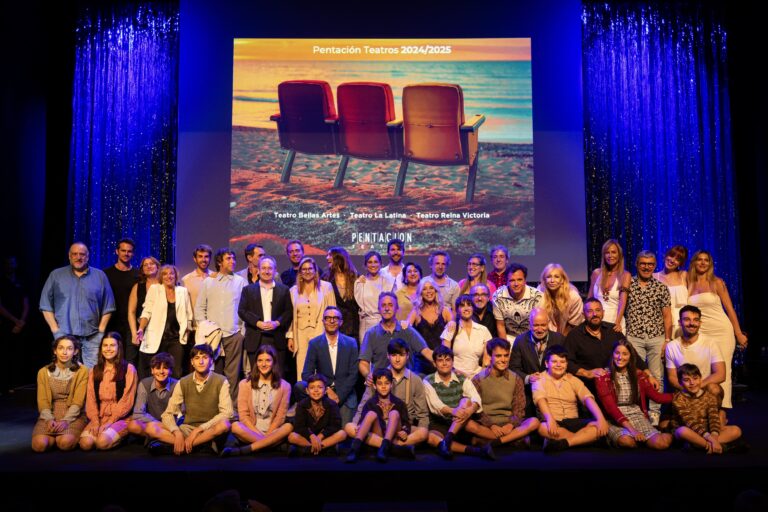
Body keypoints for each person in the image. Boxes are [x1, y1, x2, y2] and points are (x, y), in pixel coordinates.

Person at [687, 250, 748, 409]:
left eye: (706, 260)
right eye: (699, 260)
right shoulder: (688, 282)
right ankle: (703, 408)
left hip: (721, 330)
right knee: (703, 368)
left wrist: (739, 333)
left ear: (710, 264)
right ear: (694, 262)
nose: (702, 263)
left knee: (723, 370)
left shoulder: (717, 282)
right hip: (700, 332)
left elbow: (730, 309)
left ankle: (722, 409)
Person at [40, 242, 116, 368]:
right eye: (74, 254)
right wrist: (55, 330)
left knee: (92, 375)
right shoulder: (56, 275)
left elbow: (109, 306)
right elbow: (45, 305)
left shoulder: (100, 276)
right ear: (69, 256)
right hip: (64, 335)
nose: (78, 257)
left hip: (92, 336)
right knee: (66, 374)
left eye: (82, 254)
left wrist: (100, 332)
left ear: (88, 256)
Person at [349, 338, 430, 448]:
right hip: (378, 426)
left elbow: (422, 414)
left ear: (407, 356)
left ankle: (383, 445)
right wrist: (357, 424)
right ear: (388, 356)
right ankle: (395, 447)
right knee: (349, 427)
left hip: (402, 427)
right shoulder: (377, 377)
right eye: (393, 355)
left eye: (401, 355)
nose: (397, 359)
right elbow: (363, 406)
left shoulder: (415, 380)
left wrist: (415, 434)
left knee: (424, 432)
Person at [155, 344, 232, 455]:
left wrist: (200, 429)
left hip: (210, 429)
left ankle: (184, 446)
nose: (201, 362)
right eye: (197, 358)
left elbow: (227, 413)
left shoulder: (221, 381)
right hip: (187, 429)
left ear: (211, 361)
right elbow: (168, 413)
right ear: (192, 362)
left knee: (225, 425)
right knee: (152, 427)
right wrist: (177, 432)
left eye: (204, 358)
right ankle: (197, 445)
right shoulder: (183, 382)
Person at [595, 340, 673, 449]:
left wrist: (680, 396)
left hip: (636, 415)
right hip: (614, 419)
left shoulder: (639, 375)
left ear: (630, 356)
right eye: (617, 353)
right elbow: (611, 409)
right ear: (612, 354)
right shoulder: (603, 376)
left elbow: (657, 397)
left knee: (661, 444)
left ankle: (675, 433)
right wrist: (633, 431)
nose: (620, 357)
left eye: (625, 354)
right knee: (627, 442)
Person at [564, 298, 655, 393]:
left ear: (603, 312)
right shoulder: (574, 335)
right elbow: (567, 362)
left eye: (598, 310)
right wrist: (587, 373)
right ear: (584, 315)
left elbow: (632, 354)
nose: (595, 314)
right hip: (588, 388)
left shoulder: (613, 330)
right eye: (590, 311)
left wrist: (649, 375)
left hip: (615, 388)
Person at [625, 250, 672, 424]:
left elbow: (667, 316)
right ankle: (637, 410)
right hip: (634, 336)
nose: (646, 267)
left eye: (650, 264)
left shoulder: (661, 287)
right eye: (643, 263)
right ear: (637, 264)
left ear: (654, 266)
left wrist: (667, 340)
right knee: (635, 374)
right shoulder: (628, 284)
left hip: (656, 336)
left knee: (656, 375)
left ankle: (654, 413)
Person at [195, 248, 248, 404]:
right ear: (219, 262)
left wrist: (242, 332)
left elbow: (245, 307)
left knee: (232, 373)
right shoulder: (208, 282)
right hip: (213, 335)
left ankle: (231, 406)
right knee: (213, 371)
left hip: (233, 333)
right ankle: (214, 404)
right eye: (228, 259)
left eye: (233, 258)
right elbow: (200, 308)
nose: (233, 261)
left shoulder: (240, 281)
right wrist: (204, 329)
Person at [465, 338, 540, 447]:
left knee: (534, 422)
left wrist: (510, 425)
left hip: (509, 424)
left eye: (506, 355)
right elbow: (476, 409)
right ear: (490, 357)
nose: (503, 359)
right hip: (487, 425)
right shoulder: (478, 379)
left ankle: (493, 442)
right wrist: (491, 425)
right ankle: (513, 440)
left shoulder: (516, 378)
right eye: (498, 356)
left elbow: (519, 408)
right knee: (468, 425)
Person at [533, 345, 608, 452]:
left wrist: (601, 419)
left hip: (574, 422)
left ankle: (565, 443)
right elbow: (540, 399)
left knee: (598, 427)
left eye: (562, 362)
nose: (559, 365)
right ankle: (582, 440)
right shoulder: (539, 379)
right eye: (554, 362)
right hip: (554, 422)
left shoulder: (573, 379)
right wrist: (550, 419)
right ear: (546, 363)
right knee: (542, 428)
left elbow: (587, 398)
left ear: (567, 364)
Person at [422, 346, 493, 459]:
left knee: (465, 401)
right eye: (440, 360)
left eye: (448, 360)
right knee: (431, 438)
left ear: (452, 362)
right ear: (434, 364)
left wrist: (470, 410)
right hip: (440, 422)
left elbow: (476, 398)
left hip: (461, 422)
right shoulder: (428, 381)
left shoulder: (462, 378)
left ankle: (449, 438)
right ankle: (474, 451)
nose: (444, 363)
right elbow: (436, 406)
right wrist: (454, 411)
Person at [222, 345, 293, 457]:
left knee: (288, 427)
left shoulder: (285, 386)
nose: (263, 364)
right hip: (251, 430)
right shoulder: (244, 384)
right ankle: (271, 445)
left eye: (268, 360)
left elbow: (280, 417)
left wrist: (269, 433)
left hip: (273, 431)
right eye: (260, 360)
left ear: (274, 362)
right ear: (256, 363)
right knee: (235, 426)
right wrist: (261, 436)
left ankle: (248, 449)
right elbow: (244, 415)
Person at [299, 306, 359, 425]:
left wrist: (339, 396)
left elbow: (354, 374)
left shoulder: (351, 343)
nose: (331, 321)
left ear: (341, 322)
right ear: (323, 321)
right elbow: (306, 373)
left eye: (335, 318)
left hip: (344, 394)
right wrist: (325, 389)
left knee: (344, 432)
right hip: (322, 393)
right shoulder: (315, 343)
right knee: (299, 386)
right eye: (328, 318)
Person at [79, 332, 137, 451]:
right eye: (105, 345)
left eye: (112, 345)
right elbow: (91, 399)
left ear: (118, 347)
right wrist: (95, 421)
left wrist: (110, 421)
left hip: (121, 417)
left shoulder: (128, 369)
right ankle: (104, 432)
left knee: (102, 443)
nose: (108, 349)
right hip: (100, 416)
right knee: (85, 444)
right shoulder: (94, 370)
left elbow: (127, 400)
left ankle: (121, 436)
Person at [238, 256, 293, 379]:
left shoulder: (283, 290)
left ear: (275, 270)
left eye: (270, 268)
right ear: (258, 270)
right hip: (256, 337)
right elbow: (242, 311)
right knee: (256, 376)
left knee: (277, 376)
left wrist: (277, 323)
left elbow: (288, 312)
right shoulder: (248, 290)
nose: (267, 271)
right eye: (263, 268)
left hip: (276, 338)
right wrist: (257, 322)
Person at [345, 368, 416, 463]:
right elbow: (363, 420)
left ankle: (385, 446)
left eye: (386, 383)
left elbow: (406, 422)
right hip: (379, 433)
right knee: (362, 419)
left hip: (394, 434)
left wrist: (405, 431)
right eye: (379, 383)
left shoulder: (399, 403)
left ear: (391, 384)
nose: (383, 387)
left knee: (395, 413)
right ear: (374, 386)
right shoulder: (370, 403)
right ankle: (355, 449)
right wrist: (360, 426)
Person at [672, 363, 745, 454]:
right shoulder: (678, 399)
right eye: (687, 380)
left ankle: (700, 445)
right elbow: (690, 422)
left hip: (707, 431)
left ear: (700, 378)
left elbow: (713, 417)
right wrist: (711, 439)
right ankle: (721, 447)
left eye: (695, 378)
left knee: (736, 430)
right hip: (690, 430)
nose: (692, 383)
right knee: (682, 431)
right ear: (680, 382)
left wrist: (714, 436)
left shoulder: (709, 396)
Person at [31, 336, 88, 452]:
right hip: (50, 413)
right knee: (39, 446)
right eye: (61, 348)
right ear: (55, 350)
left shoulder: (82, 371)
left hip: (73, 415)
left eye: (69, 348)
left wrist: (66, 420)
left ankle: (60, 438)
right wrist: (48, 419)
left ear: (75, 351)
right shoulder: (43, 372)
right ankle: (52, 438)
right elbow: (42, 401)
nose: (64, 352)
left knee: (65, 443)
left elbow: (78, 401)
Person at [136, 265, 192, 379]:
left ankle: (174, 396)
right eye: (165, 274)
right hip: (158, 338)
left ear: (176, 275)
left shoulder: (183, 291)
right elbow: (147, 312)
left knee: (176, 372)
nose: (168, 276)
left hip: (176, 338)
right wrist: (141, 328)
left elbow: (188, 314)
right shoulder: (155, 289)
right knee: (157, 370)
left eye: (171, 273)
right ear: (161, 277)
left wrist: (188, 331)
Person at [359, 292, 432, 379]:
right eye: (383, 305)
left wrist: (444, 365)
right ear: (379, 309)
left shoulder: (406, 330)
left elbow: (426, 351)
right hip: (381, 384)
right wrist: (368, 376)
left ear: (396, 308)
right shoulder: (371, 333)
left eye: (390, 305)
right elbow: (363, 362)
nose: (386, 308)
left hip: (406, 383)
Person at [665, 305, 726, 407]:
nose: (692, 323)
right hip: (683, 390)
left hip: (704, 388)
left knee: (714, 388)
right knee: (664, 423)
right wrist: (687, 388)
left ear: (700, 323)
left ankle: (712, 417)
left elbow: (721, 374)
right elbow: (672, 377)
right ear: (680, 323)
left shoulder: (710, 343)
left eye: (695, 320)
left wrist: (696, 387)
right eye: (687, 320)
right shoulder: (671, 346)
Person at [510, 308, 565, 416]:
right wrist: (528, 378)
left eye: (543, 325)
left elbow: (565, 365)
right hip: (528, 392)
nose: (539, 329)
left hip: (554, 389)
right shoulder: (520, 341)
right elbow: (513, 368)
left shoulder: (560, 339)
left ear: (548, 324)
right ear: (529, 324)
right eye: (535, 325)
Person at [288, 257, 336, 379]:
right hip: (301, 333)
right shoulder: (293, 291)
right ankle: (303, 396)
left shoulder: (326, 287)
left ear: (315, 270)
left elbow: (333, 311)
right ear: (300, 272)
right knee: (303, 367)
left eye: (310, 268)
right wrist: (291, 337)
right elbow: (291, 316)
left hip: (320, 331)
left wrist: (333, 333)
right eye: (304, 269)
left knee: (321, 365)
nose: (307, 271)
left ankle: (321, 395)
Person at [287, 374, 347, 456]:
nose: (316, 390)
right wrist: (311, 436)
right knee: (292, 436)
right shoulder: (302, 405)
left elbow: (335, 425)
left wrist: (320, 436)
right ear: (307, 391)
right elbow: (299, 426)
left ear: (325, 390)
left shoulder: (332, 404)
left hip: (324, 437)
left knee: (342, 434)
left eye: (320, 387)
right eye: (312, 388)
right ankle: (323, 449)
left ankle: (308, 450)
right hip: (308, 437)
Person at [127, 352, 178, 444]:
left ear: (171, 371)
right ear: (152, 370)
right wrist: (156, 424)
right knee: (132, 426)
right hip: (151, 422)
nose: (161, 371)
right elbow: (138, 413)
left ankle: (160, 438)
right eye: (158, 368)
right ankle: (160, 437)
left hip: (171, 425)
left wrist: (170, 426)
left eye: (165, 368)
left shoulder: (177, 385)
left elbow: (181, 414)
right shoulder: (144, 384)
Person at [103, 238, 140, 362]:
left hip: (131, 323)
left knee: (130, 359)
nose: (126, 253)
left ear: (133, 253)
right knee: (112, 357)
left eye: (129, 251)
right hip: (111, 322)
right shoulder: (106, 274)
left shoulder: (138, 275)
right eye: (123, 250)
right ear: (116, 251)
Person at [407, 279, 453, 374]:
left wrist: (453, 323)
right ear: (421, 293)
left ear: (436, 291)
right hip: (421, 362)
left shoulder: (445, 311)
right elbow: (406, 329)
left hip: (442, 360)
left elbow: (452, 332)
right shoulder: (416, 312)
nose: (428, 291)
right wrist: (404, 324)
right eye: (424, 289)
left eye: (431, 288)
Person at [440, 295, 492, 377]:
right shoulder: (451, 328)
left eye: (469, 305)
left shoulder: (483, 330)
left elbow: (487, 359)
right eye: (462, 305)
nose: (466, 308)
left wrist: (482, 375)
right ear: (457, 310)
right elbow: (444, 357)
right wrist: (456, 372)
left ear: (473, 308)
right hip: (455, 375)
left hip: (477, 375)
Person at [0, 256, 30, 394]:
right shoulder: (1, 281)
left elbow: (25, 302)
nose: (10, 265)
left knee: (16, 353)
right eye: (8, 263)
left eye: (13, 263)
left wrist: (21, 321)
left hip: (20, 324)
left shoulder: (20, 281)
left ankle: (14, 384)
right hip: (6, 323)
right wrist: (14, 320)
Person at [492, 262, 543, 342]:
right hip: (509, 338)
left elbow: (539, 325)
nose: (516, 284)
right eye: (512, 280)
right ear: (507, 282)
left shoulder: (537, 296)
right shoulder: (498, 297)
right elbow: (500, 325)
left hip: (532, 338)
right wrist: (506, 349)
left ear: (525, 280)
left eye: (519, 280)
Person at [588, 239, 631, 332]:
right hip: (595, 321)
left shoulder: (625, 275)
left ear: (619, 255)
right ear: (604, 255)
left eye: (613, 252)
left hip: (615, 322)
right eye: (607, 252)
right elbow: (589, 298)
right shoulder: (596, 273)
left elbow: (623, 302)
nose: (610, 255)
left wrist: (617, 322)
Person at [354, 251, 395, 341]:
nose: (373, 265)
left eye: (376, 262)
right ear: (365, 265)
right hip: (365, 324)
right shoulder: (360, 283)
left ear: (381, 264)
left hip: (384, 323)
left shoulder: (388, 282)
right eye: (370, 262)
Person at [324, 247, 360, 341]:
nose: (327, 258)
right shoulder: (326, 279)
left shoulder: (355, 277)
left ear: (339, 257)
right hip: (334, 327)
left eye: (330, 255)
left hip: (353, 328)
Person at [538, 263, 584, 336]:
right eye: (549, 277)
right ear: (544, 280)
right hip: (546, 335)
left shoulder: (573, 296)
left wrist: (561, 340)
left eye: (556, 277)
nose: (552, 280)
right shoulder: (539, 294)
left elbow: (574, 324)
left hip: (569, 335)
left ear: (562, 279)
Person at [653, 245, 689, 338]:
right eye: (671, 256)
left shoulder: (684, 275)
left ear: (680, 263)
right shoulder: (654, 277)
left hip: (683, 323)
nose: (672, 260)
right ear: (666, 255)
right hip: (662, 324)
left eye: (677, 259)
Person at [128, 256, 160, 355]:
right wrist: (134, 333)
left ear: (158, 267)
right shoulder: (138, 287)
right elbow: (131, 312)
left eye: (151, 263)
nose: (148, 266)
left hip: (160, 330)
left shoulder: (165, 285)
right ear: (142, 269)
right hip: (141, 330)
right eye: (145, 265)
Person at [181, 244, 214, 320]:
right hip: (195, 326)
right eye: (200, 256)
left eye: (206, 256)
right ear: (195, 259)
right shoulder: (186, 280)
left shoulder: (216, 278)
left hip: (213, 326)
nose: (203, 260)